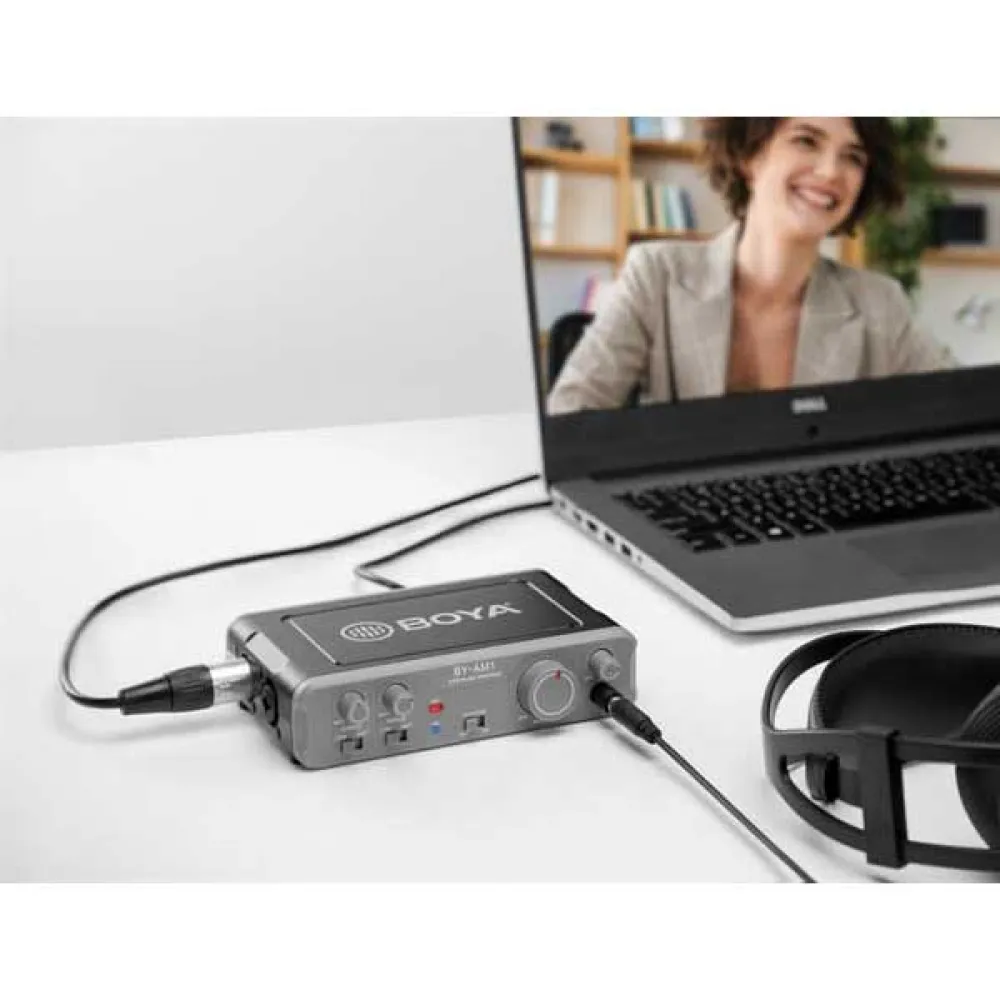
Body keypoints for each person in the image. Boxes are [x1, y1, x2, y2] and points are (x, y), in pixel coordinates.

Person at [546, 117, 957, 415]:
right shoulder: (656, 275)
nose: (831, 171)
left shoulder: (880, 304)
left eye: (853, 157)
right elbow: (571, 414)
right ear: (749, 156)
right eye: (806, 141)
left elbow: (961, 412)